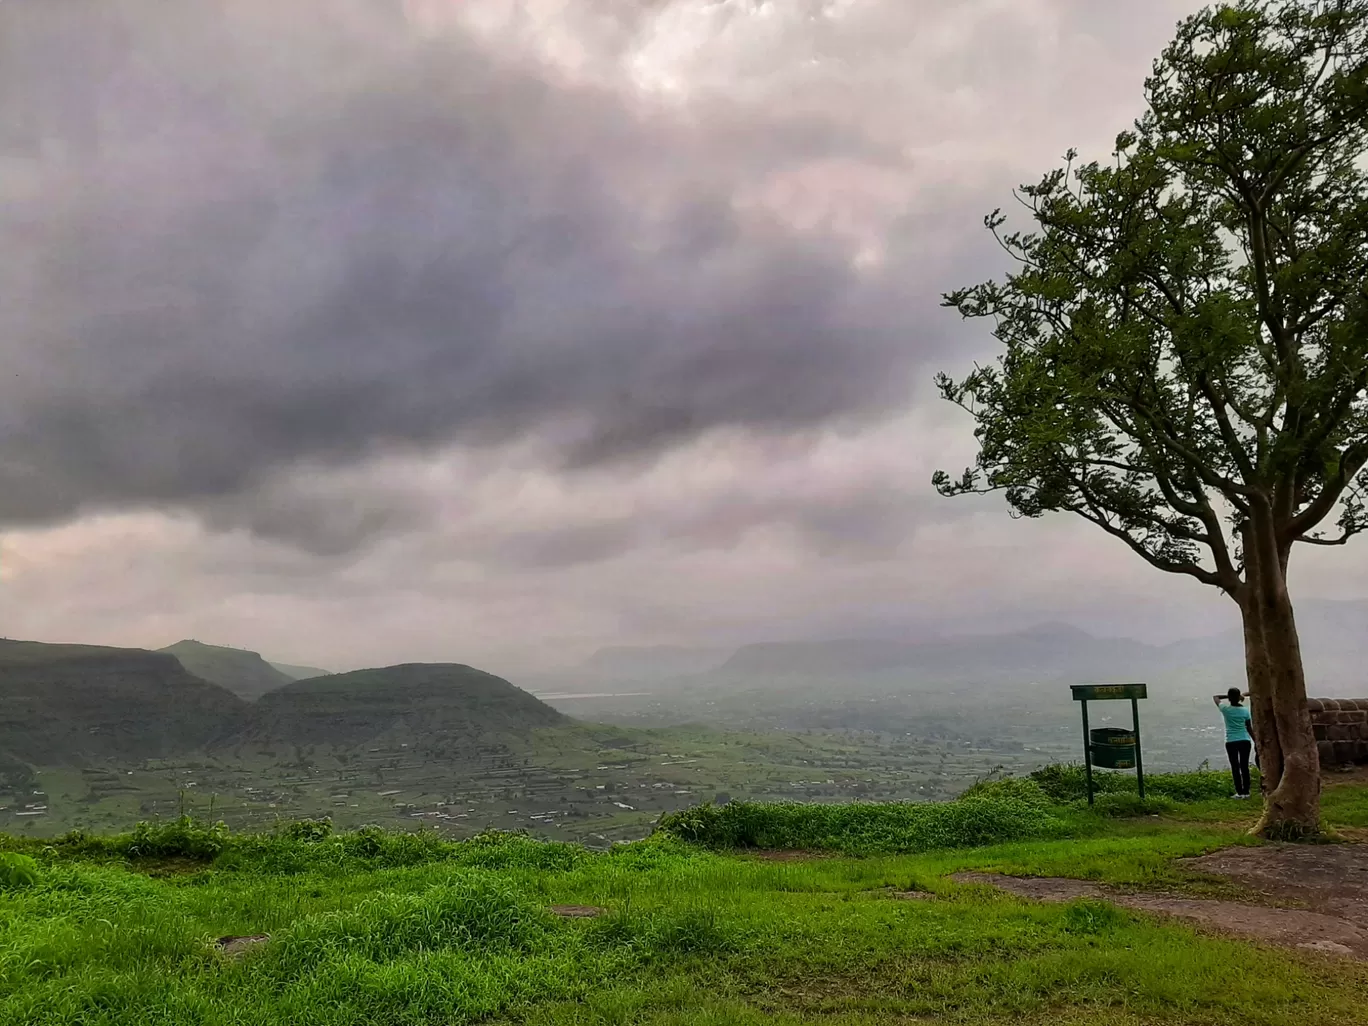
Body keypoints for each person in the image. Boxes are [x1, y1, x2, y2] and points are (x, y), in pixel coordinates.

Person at [1213, 687, 1254, 799]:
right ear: (1238, 697)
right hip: (1245, 740)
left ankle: (1239, 793)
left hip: (1231, 741)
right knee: (1244, 766)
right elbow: (1249, 727)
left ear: (1230, 698)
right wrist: (1256, 741)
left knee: (1235, 767)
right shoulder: (1245, 711)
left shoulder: (1226, 709)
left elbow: (1215, 697)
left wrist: (1228, 696)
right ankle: (1247, 792)